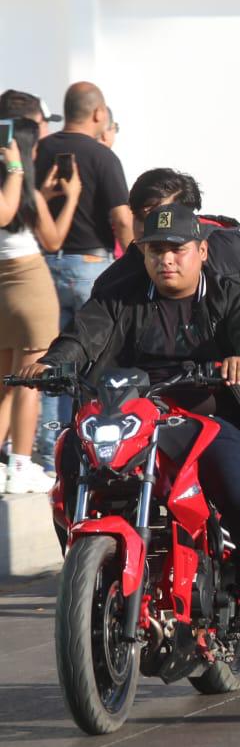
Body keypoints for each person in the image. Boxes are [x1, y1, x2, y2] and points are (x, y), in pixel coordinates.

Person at [18, 204, 240, 634]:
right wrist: (54, 365)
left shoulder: (228, 294)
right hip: (129, 414)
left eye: (177, 249)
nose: (166, 259)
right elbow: (82, 336)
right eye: (155, 250)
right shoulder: (120, 294)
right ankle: (90, 571)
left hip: (202, 415)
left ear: (201, 251)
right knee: (70, 456)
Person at [93, 168, 240, 566]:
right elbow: (92, 335)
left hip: (238, 373)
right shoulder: (118, 276)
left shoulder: (237, 249)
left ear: (195, 227)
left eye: (159, 214)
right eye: (140, 216)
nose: (152, 233)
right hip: (151, 384)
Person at [32, 82, 133, 468]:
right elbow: (122, 219)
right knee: (96, 361)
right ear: (97, 114)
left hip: (42, 265)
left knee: (46, 361)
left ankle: (46, 451)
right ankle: (90, 446)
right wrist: (134, 264)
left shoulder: (41, 149)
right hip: (91, 268)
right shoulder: (103, 157)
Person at [0, 119, 76, 494]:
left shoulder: (18, 191)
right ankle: (21, 464)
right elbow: (52, 238)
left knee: (5, 383)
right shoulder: (17, 183)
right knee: (30, 379)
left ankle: (5, 460)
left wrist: (37, 194)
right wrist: (71, 197)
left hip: (2, 287)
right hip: (30, 283)